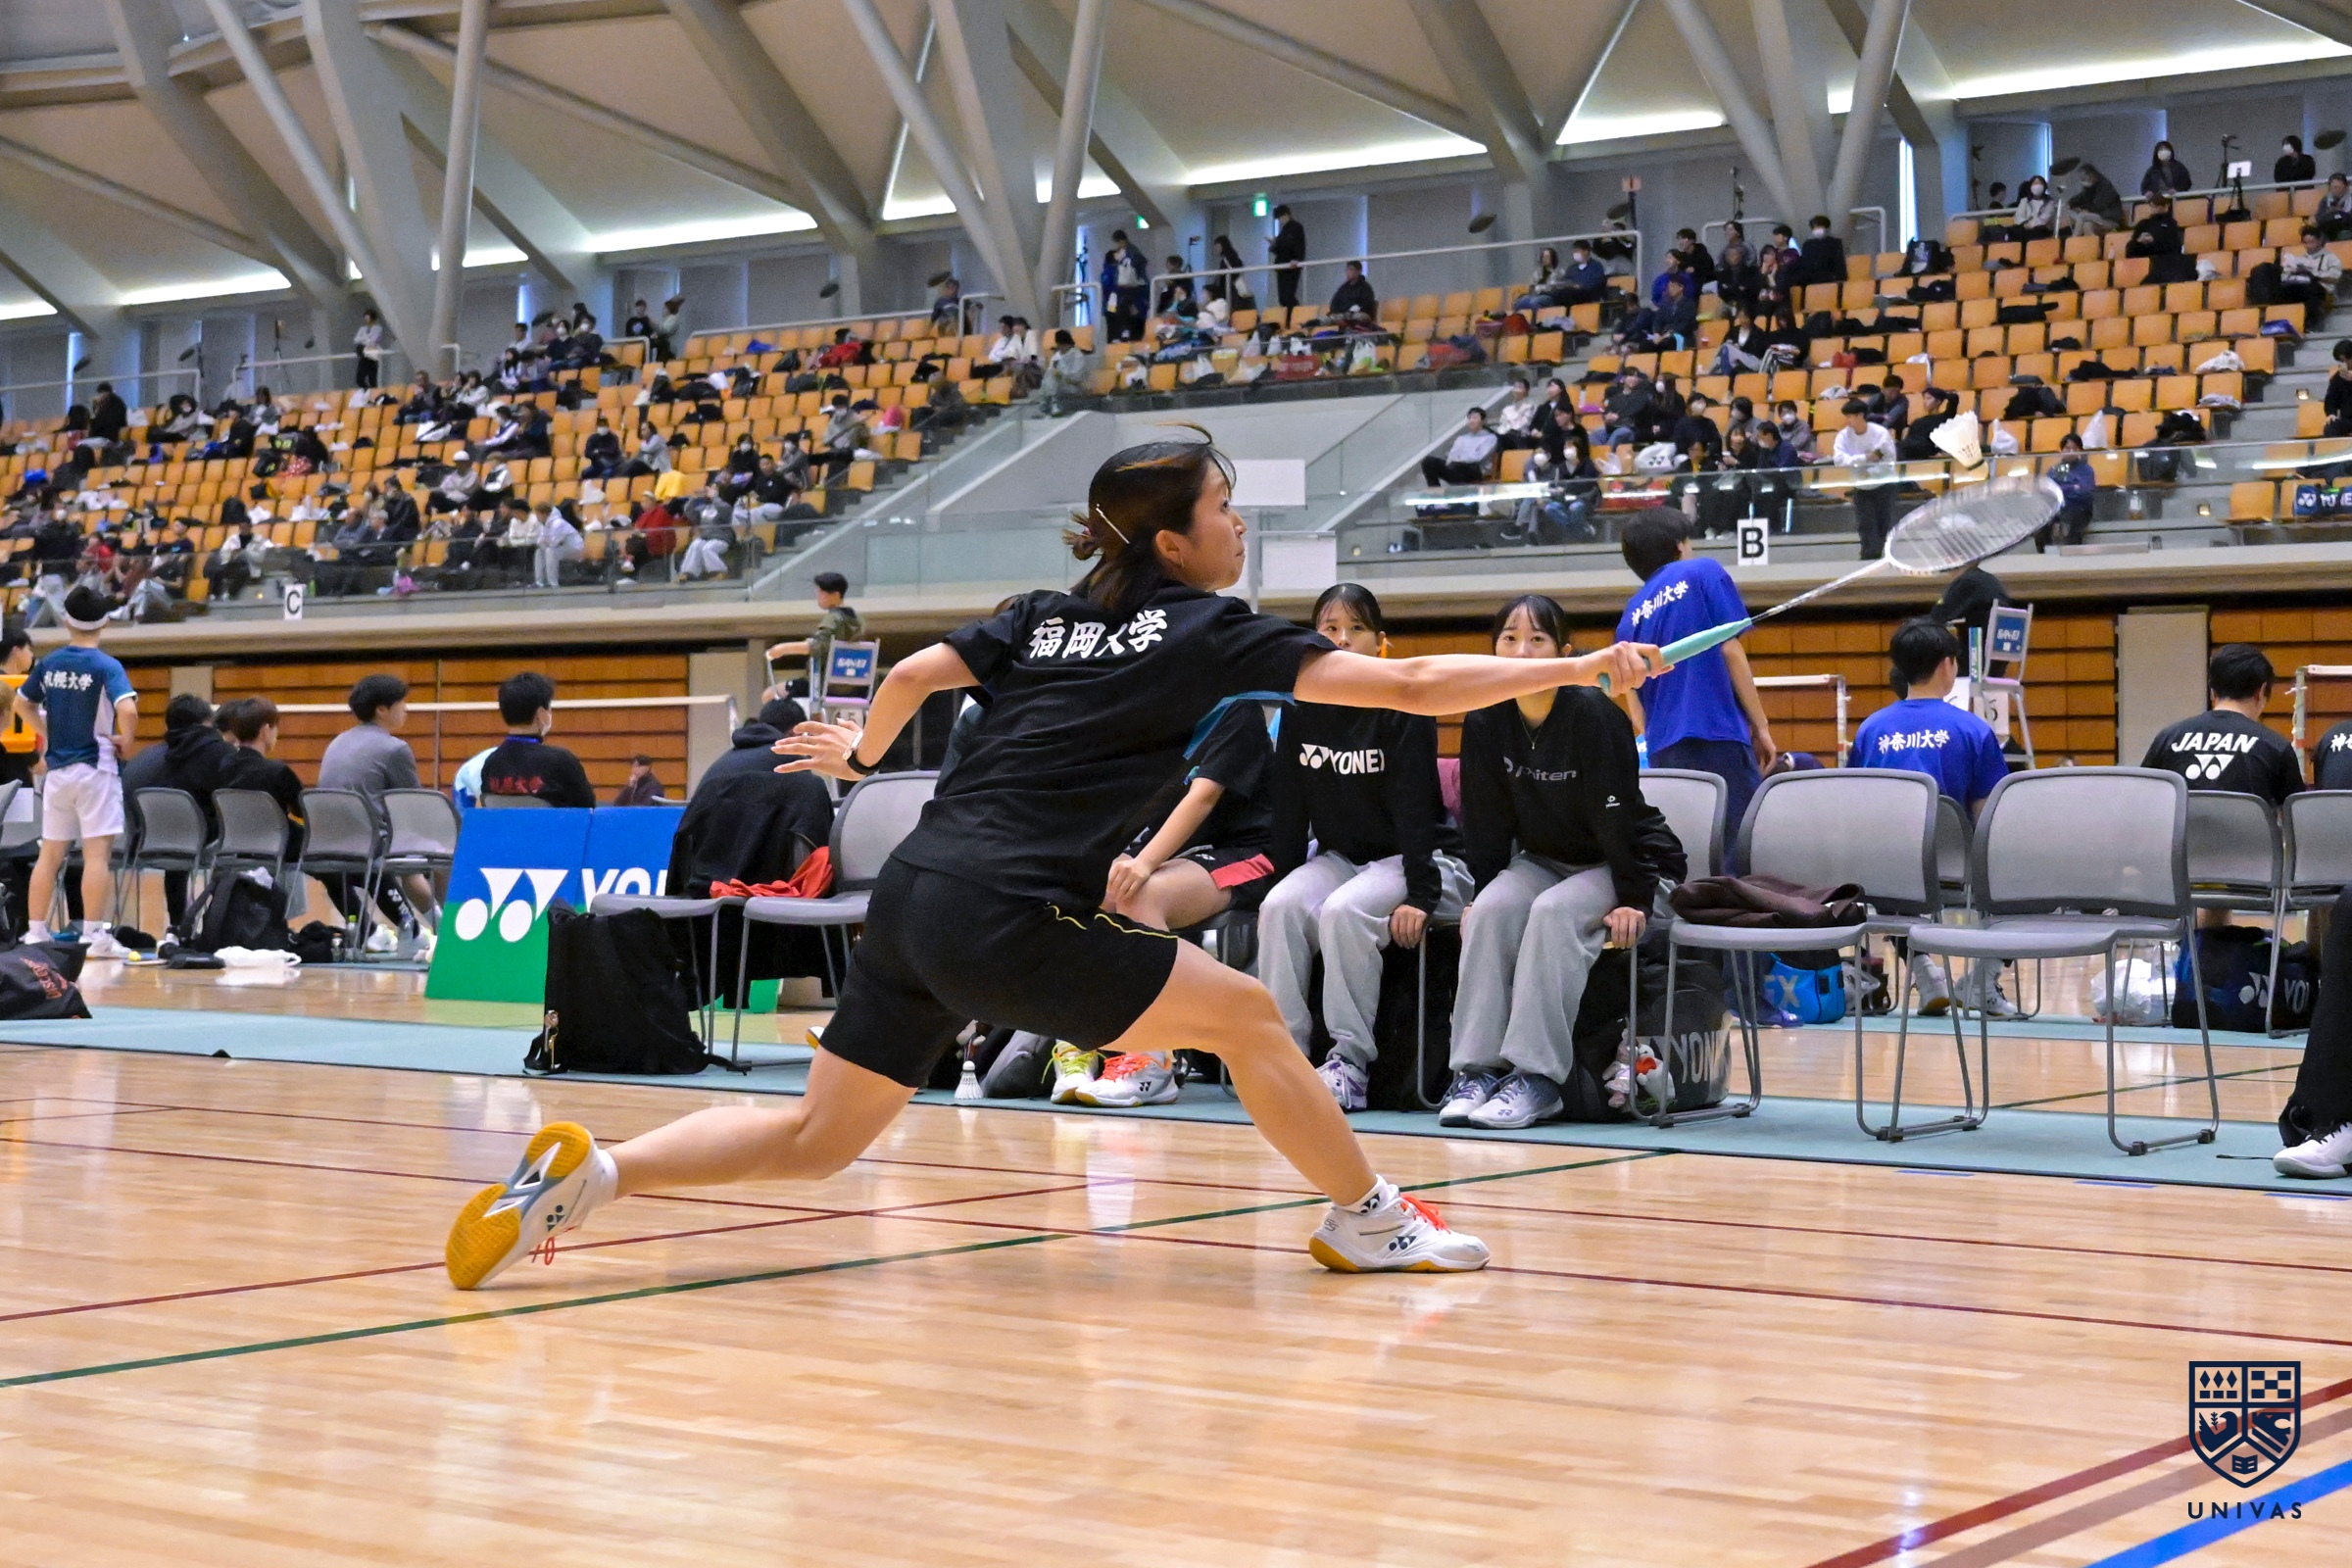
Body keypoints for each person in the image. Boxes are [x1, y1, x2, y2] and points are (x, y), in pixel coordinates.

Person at [438, 431, 1668, 1290]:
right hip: (1008, 910)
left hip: (911, 895)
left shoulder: (1045, 614)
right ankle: (1370, 1219)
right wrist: (1579, 664)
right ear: (1175, 540)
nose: (1239, 524)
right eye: (1225, 508)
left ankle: (593, 1176)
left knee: (819, 1134)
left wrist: (860, 759)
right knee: (1247, 1016)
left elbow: (912, 672)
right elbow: (1410, 684)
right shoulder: (1211, 630)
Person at [1444, 596, 1685, 1130]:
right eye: (1509, 639)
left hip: (1624, 862)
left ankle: (1537, 1080)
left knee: (1552, 914)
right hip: (1546, 860)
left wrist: (1635, 899)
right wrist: (1480, 894)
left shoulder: (1594, 715)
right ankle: (1476, 1073)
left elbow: (1620, 820)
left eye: (1538, 640)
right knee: (1490, 912)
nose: (1522, 652)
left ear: (1565, 653)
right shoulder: (1485, 718)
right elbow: (1485, 822)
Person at [1257, 585, 1470, 1114]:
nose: (1342, 640)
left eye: (1356, 629)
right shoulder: (1299, 707)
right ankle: (1283, 1057)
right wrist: (1284, 877)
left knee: (1344, 911)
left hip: (1418, 859)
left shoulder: (1403, 705)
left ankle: (1348, 1063)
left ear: (1380, 642)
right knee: (1279, 906)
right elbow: (1289, 810)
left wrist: (1421, 896)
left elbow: (1416, 811)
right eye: (1330, 629)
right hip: (1341, 858)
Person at [1080, 699, 1280, 1108]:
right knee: (1089, 891)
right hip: (1182, 854)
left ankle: (1153, 1062)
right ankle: (1085, 1049)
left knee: (1140, 893)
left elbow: (1202, 798)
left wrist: (1143, 863)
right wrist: (1117, 856)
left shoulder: (1236, 712)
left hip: (1250, 854)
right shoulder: (1158, 711)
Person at [1848, 619, 2014, 1015]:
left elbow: (1856, 807)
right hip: (1958, 871)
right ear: (1947, 665)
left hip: (1886, 872)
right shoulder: (1973, 730)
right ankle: (1983, 979)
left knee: (1888, 871)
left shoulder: (1870, 730)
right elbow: (1990, 816)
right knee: (2025, 874)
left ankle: (1926, 975)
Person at [1617, 514, 1776, 835]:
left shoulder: (1630, 615)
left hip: (1663, 750)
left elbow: (1635, 703)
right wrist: (1761, 726)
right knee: (1736, 844)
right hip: (1717, 735)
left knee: (1689, 846)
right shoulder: (1703, 571)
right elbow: (1729, 650)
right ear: (1680, 546)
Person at [14, 586, 136, 956]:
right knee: (97, 855)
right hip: (96, 769)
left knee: (50, 853)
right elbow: (128, 710)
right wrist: (127, 740)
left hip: (57, 772)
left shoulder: (49, 663)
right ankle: (94, 936)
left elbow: (22, 705)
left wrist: (48, 733)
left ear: (66, 621)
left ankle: (36, 932)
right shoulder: (106, 666)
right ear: (105, 622)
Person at [318, 673, 436, 943]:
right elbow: (414, 805)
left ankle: (410, 932)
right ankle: (445, 929)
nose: (406, 709)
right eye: (401, 703)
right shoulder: (395, 749)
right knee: (434, 852)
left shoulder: (337, 741)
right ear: (382, 709)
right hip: (369, 843)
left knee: (402, 851)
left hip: (326, 843)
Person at [2138, 644, 2303, 808]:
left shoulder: (2168, 738)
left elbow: (2141, 800)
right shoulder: (2276, 747)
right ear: (2261, 691)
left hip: (2182, 827)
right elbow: (2296, 816)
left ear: (2212, 690)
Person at [477, 671, 595, 808]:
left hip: (506, 824)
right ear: (541, 714)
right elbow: (588, 809)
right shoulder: (561, 761)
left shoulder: (491, 763)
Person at [213, 697, 307, 859]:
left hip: (238, 848)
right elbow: (304, 810)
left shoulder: (223, 767)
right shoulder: (277, 771)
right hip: (279, 848)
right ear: (265, 730)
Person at [766, 571, 863, 698]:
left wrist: (782, 649)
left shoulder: (834, 618)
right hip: (851, 686)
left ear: (835, 595)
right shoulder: (858, 620)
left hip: (822, 684)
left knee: (769, 695)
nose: (818, 597)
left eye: (822, 593)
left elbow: (817, 645)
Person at [1833, 397, 1900, 558]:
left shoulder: (1880, 433)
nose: (1847, 421)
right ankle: (1868, 553)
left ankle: (1882, 553)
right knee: (1865, 522)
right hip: (1861, 485)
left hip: (1884, 484)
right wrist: (1865, 458)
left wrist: (1868, 471)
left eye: (1850, 416)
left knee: (1884, 521)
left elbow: (1889, 460)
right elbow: (1839, 460)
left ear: (1860, 415)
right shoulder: (1843, 436)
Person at [2278, 226, 2343, 329]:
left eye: (2312, 242)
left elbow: (2335, 277)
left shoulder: (2330, 258)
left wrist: (2313, 275)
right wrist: (2293, 273)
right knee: (2282, 290)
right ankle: (2284, 322)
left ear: (2319, 241)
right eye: (2306, 243)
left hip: (2321, 289)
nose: (2308, 246)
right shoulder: (2299, 259)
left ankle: (2311, 324)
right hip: (2299, 287)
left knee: (2311, 289)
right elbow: (2284, 277)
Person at [1419, 407, 1499, 487]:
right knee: (1428, 461)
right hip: (1456, 469)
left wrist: (1460, 459)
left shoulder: (1490, 438)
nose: (1471, 421)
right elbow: (1452, 456)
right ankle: (1434, 489)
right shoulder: (1462, 438)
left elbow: (1479, 458)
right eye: (1469, 418)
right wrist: (1456, 461)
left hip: (1475, 471)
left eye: (1475, 418)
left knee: (1460, 465)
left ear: (1483, 421)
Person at [2041, 434, 2095, 550]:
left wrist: (2062, 489)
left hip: (2079, 508)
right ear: (2062, 450)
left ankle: (2073, 553)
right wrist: (2072, 487)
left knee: (2072, 517)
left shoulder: (2085, 470)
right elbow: (2049, 489)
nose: (2071, 452)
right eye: (2067, 448)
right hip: (2057, 507)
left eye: (2075, 449)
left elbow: (2084, 492)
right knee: (2042, 521)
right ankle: (2043, 553)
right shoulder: (2057, 469)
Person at [0, 627, 35, 787]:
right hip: (11, 765)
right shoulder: (11, 686)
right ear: (16, 650)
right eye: (29, 649)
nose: (32, 656)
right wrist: (34, 758)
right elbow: (17, 731)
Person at [1101, 230, 1150, 342]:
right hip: (1128, 302)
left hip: (1120, 303)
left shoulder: (1128, 257)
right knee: (1133, 330)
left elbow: (1109, 288)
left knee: (1119, 329)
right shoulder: (1132, 255)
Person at [2069, 163, 2125, 237]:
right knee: (2087, 225)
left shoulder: (2105, 186)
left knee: (2082, 216)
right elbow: (2081, 198)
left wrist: (2084, 209)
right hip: (2097, 218)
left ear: (2091, 175)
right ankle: (2091, 244)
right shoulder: (2090, 187)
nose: (2082, 182)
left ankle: (2074, 239)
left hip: (2110, 219)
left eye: (2083, 179)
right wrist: (2070, 203)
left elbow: (2098, 206)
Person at [1268, 204, 1307, 310]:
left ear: (1286, 215)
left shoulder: (1296, 227)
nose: (1280, 221)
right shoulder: (1284, 230)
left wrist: (1297, 259)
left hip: (1290, 266)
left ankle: (1294, 314)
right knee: (1283, 297)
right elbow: (1281, 248)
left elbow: (1299, 245)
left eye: (1280, 218)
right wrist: (1274, 244)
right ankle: (1290, 315)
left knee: (1288, 296)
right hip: (1283, 266)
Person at [2009, 176, 2060, 242]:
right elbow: (2019, 215)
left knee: (2038, 230)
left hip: (2041, 229)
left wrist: (2031, 225)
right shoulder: (2025, 201)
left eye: (2039, 183)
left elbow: (2045, 218)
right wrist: (2024, 224)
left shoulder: (2049, 202)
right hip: (2025, 228)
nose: (2037, 186)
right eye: (2034, 183)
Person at [352, 308, 384, 390]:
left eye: (368, 318)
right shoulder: (362, 329)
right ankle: (368, 391)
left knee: (372, 379)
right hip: (364, 354)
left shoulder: (378, 328)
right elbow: (356, 340)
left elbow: (373, 341)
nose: (366, 320)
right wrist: (366, 340)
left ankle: (373, 393)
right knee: (359, 379)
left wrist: (363, 340)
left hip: (372, 354)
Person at [2319, 173, 2352, 242]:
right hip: (2330, 227)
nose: (2335, 190)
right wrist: (2331, 213)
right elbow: (2319, 218)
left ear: (2346, 187)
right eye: (2333, 187)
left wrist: (2340, 213)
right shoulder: (2326, 199)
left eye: (2338, 187)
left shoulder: (2350, 198)